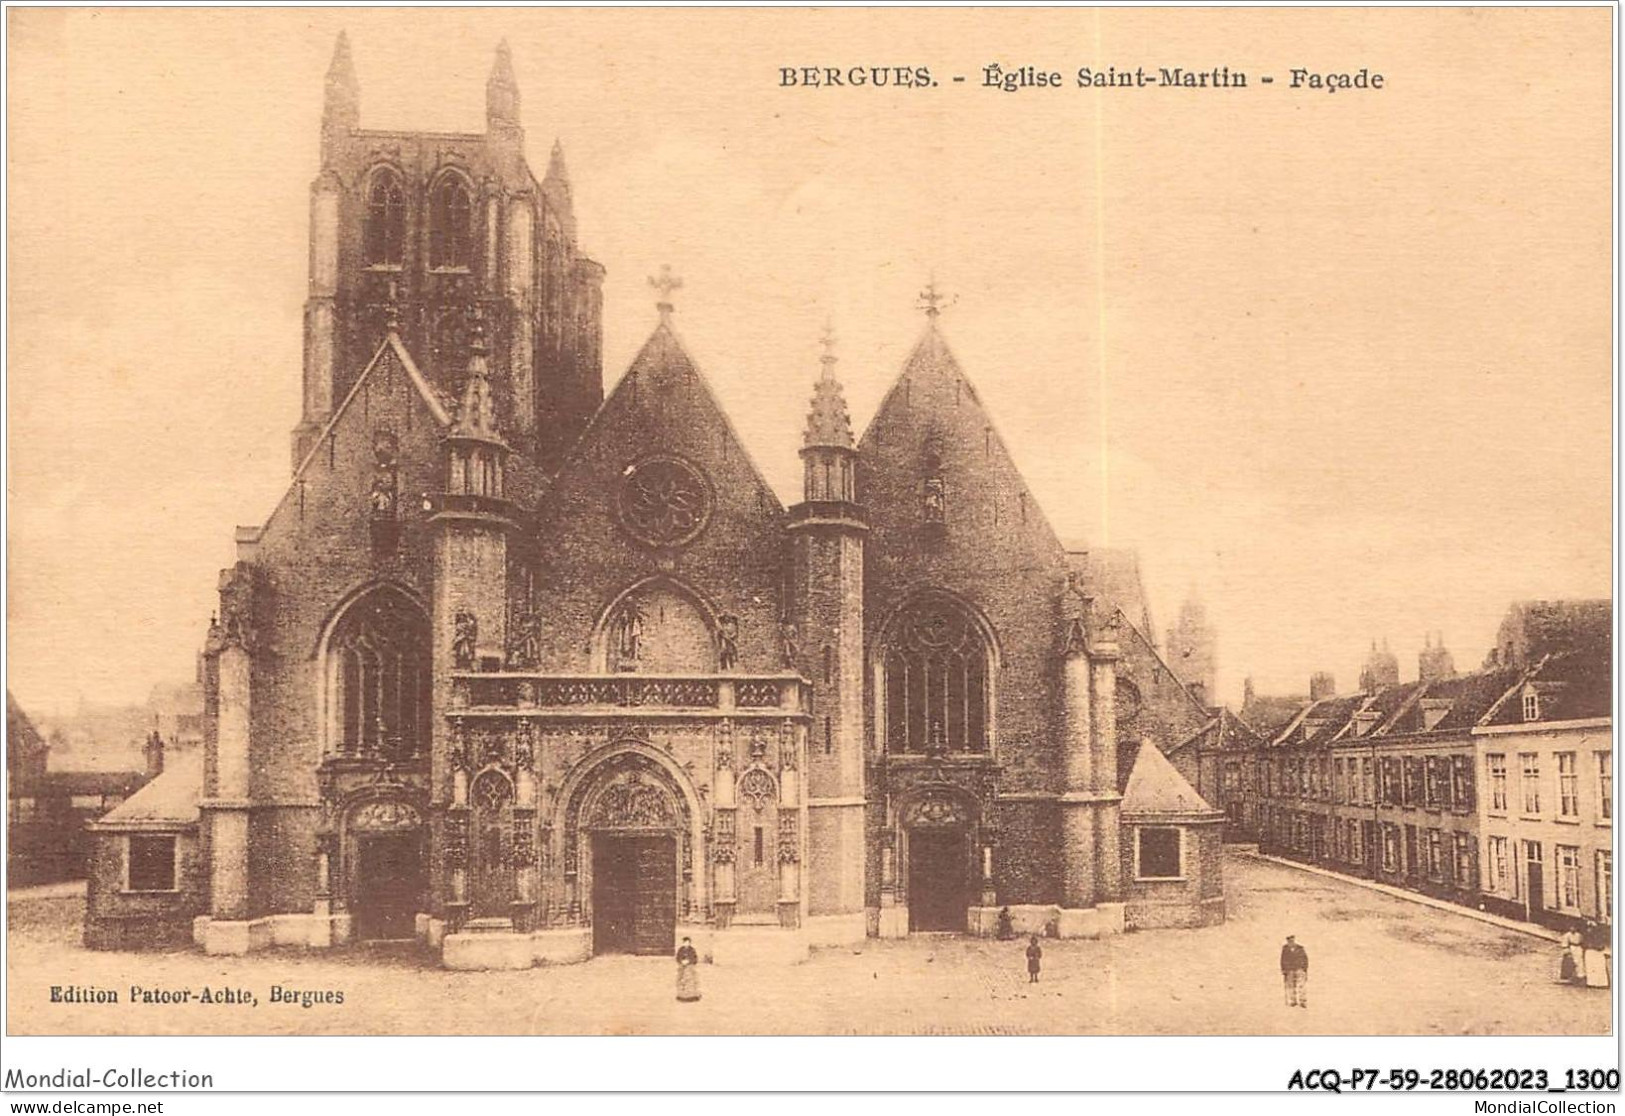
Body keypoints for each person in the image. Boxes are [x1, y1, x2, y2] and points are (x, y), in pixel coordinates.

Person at [1281, 935, 1309, 1007]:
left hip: (1299, 969)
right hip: (1289, 970)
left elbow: (1305, 959)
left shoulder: (1300, 948)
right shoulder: (1285, 949)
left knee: (1301, 985)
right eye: (1289, 940)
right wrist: (1284, 969)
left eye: (1292, 940)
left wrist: (1304, 969)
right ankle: (1292, 1001)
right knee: (1290, 985)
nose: (1291, 942)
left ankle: (1302, 1001)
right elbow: (1283, 960)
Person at [675, 936, 701, 1002]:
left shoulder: (692, 950)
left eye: (687, 943)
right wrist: (682, 961)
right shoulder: (681, 949)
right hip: (682, 966)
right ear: (683, 943)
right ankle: (682, 996)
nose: (686, 944)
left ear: (689, 943)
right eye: (685, 942)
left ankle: (692, 996)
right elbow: (678, 957)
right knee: (681, 979)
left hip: (690, 966)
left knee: (690, 980)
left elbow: (695, 959)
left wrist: (689, 961)